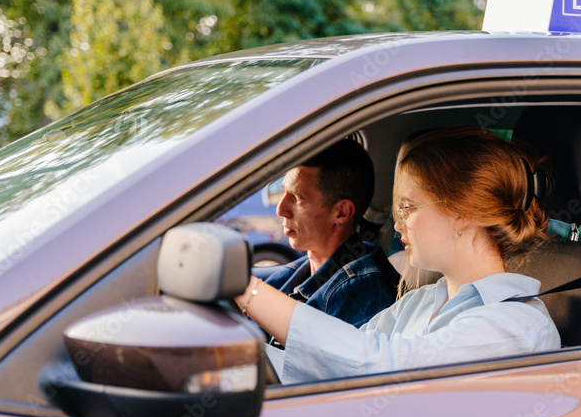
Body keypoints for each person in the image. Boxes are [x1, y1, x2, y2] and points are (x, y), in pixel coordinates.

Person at [236, 127, 561, 384]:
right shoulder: (418, 303)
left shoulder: (516, 326)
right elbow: (329, 364)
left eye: (408, 207)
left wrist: (241, 286)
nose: (398, 223)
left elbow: (380, 368)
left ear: (465, 211)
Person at [261, 138, 400, 329]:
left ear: (341, 212)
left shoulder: (361, 292)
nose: (281, 209)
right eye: (283, 191)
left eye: (296, 198)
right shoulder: (298, 271)